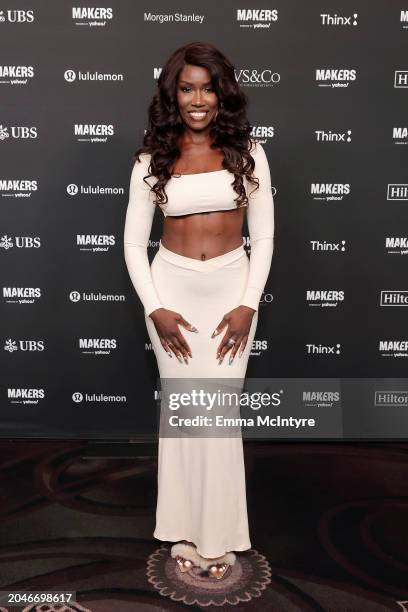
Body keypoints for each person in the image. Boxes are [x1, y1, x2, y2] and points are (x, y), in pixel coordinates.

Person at [123, 41, 274, 580]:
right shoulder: (152, 159)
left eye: (207, 87)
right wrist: (156, 308)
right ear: (173, 94)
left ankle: (223, 532)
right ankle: (182, 528)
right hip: (172, 292)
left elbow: (266, 237)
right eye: (187, 88)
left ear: (222, 94)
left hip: (231, 291)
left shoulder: (248, 151)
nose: (198, 99)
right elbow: (132, 244)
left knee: (219, 415)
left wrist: (246, 305)